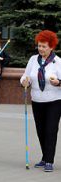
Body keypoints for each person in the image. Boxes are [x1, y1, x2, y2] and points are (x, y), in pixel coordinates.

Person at [20, 30, 61, 172]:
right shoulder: (33, 60)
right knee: (41, 130)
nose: (41, 49)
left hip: (54, 101)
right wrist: (24, 81)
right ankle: (44, 158)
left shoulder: (58, 62)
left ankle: (49, 160)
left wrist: (58, 82)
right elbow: (26, 76)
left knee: (51, 130)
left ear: (51, 47)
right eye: (39, 46)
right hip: (37, 100)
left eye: (44, 46)